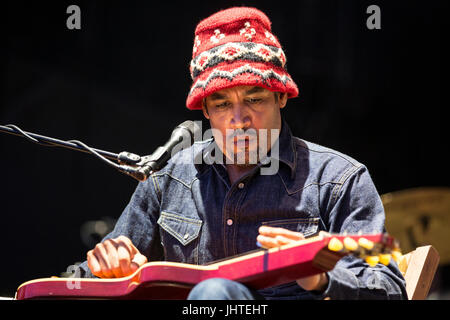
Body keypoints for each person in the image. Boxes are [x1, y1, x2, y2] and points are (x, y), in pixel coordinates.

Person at [76, 7, 407, 300]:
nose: (239, 119)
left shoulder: (338, 180)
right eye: (221, 104)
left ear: (281, 97)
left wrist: (318, 275)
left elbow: (389, 288)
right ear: (204, 110)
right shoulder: (170, 177)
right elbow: (87, 277)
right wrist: (107, 266)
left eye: (254, 98)